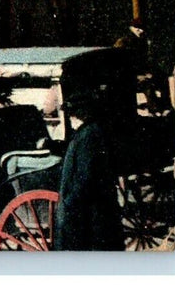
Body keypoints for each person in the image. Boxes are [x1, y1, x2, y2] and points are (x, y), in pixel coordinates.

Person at [53, 88, 124, 251]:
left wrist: (70, 202)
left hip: (89, 214)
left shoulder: (88, 136)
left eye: (71, 114)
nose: (69, 118)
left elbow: (85, 176)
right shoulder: (88, 133)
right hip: (92, 212)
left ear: (78, 114)